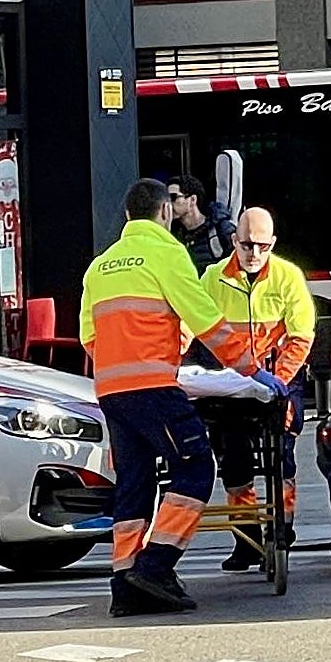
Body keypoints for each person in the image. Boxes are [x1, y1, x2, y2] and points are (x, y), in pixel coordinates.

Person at [79, 178, 273, 618]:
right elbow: (207, 321)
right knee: (195, 467)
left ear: (128, 216)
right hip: (153, 387)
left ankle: (124, 582)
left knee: (135, 483)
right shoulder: (167, 254)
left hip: (112, 390)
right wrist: (252, 370)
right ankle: (155, 566)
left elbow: (88, 336)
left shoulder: (100, 266)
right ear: (164, 213)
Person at [198, 207, 314, 571]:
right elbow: (196, 328)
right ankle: (246, 538)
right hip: (231, 382)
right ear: (234, 240)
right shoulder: (213, 278)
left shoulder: (287, 277)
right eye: (247, 245)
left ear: (272, 244)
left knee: (283, 454)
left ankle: (282, 529)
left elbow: (300, 335)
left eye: (262, 246)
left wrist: (276, 380)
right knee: (233, 457)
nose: (254, 254)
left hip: (279, 378)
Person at [169, 173, 237, 275]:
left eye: (173, 197)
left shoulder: (221, 229)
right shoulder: (173, 235)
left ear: (192, 199)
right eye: (166, 198)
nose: (169, 203)